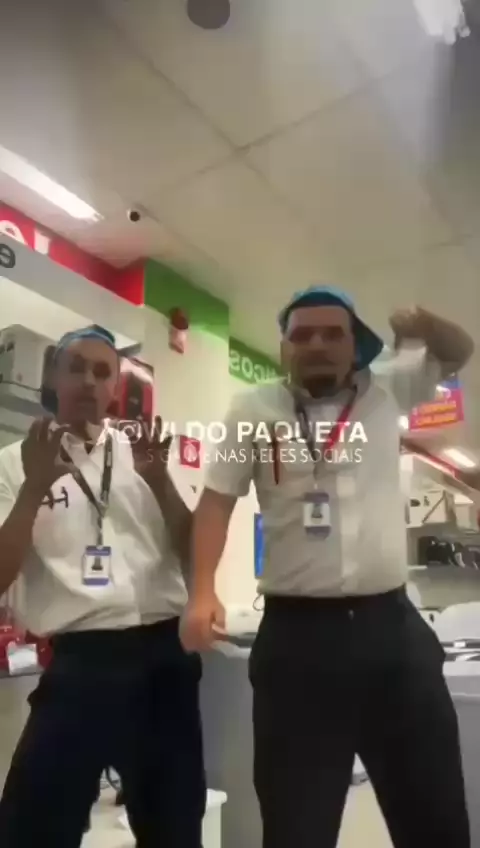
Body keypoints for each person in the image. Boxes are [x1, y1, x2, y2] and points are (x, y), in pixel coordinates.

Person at [181, 286, 474, 848]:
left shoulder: (387, 387)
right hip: (298, 645)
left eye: (332, 333)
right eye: (302, 334)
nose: (317, 344)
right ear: (284, 346)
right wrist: (201, 591)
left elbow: (460, 350)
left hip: (393, 635)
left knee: (435, 819)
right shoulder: (253, 410)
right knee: (297, 827)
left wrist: (424, 321)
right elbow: (216, 502)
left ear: (355, 343)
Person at [0, 326, 205, 848]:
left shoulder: (143, 451)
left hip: (164, 660)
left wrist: (160, 480)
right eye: (76, 368)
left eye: (102, 372)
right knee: (29, 830)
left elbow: (194, 552)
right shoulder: (13, 462)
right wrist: (34, 487)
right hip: (81, 665)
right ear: (53, 376)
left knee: (174, 831)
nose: (89, 381)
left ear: (115, 386)